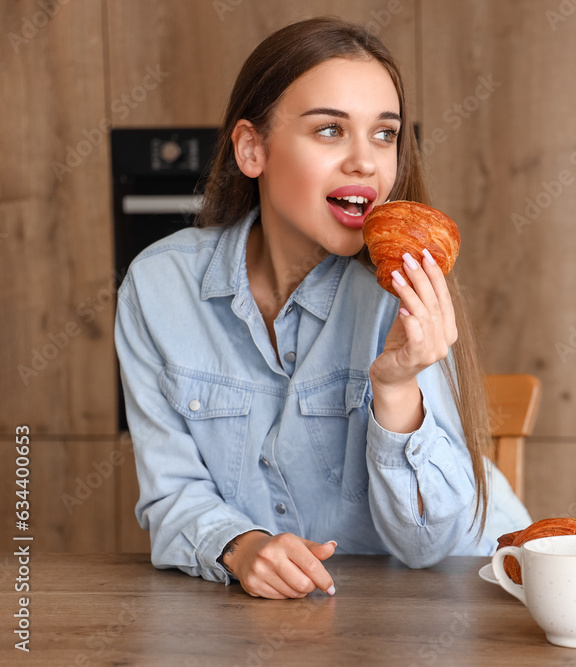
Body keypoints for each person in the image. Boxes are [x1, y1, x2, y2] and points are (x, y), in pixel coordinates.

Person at [114, 17, 531, 600]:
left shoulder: (401, 288)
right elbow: (173, 491)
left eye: (384, 135)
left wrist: (396, 389)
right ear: (252, 148)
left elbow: (432, 547)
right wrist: (241, 545)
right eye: (331, 130)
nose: (366, 162)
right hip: (289, 622)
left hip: (464, 599)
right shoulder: (158, 289)